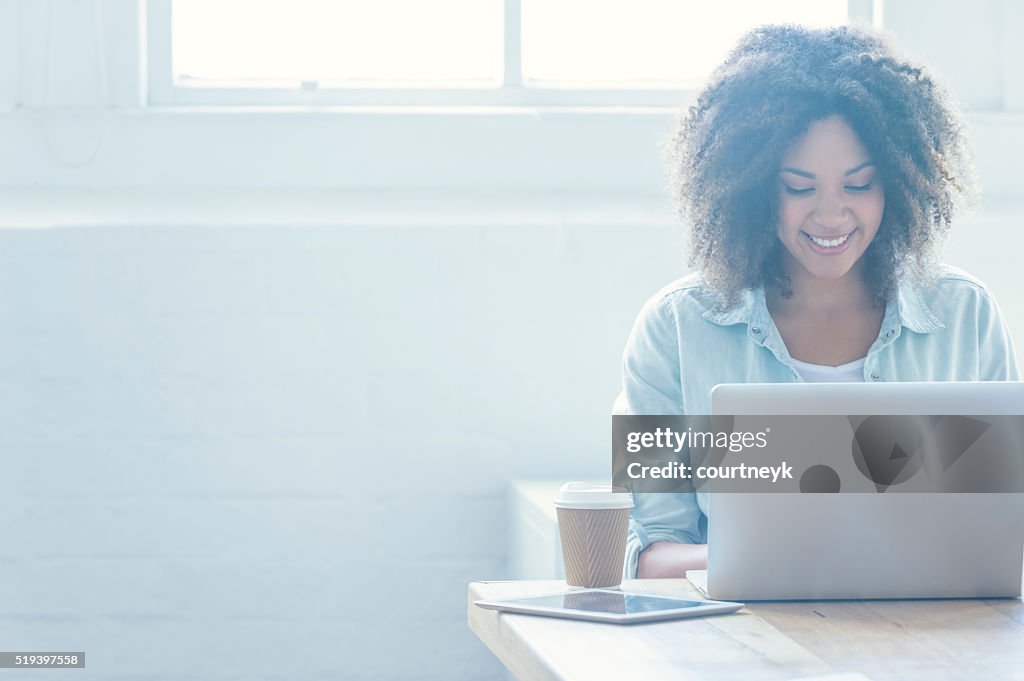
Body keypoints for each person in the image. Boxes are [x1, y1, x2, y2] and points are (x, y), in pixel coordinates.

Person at [613, 24, 1020, 580]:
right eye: (799, 188)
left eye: (859, 185)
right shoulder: (675, 328)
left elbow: (1002, 527)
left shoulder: (965, 316)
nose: (831, 216)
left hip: (931, 641)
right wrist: (781, 559)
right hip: (746, 646)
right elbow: (649, 554)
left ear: (899, 184)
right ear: (752, 187)